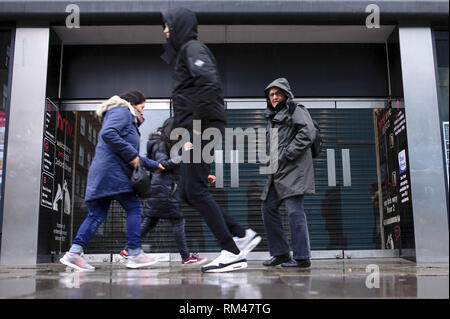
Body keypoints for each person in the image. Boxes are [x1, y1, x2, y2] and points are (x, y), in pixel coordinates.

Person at [160, 7, 261, 273]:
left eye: (168, 25)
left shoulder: (192, 48)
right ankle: (240, 234)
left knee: (195, 190)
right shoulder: (186, 52)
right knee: (186, 191)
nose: (165, 30)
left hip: (199, 127)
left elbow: (207, 82)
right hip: (194, 128)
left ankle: (232, 249)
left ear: (180, 26)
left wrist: (195, 127)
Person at [60, 90, 164, 271]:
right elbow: (109, 134)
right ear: (131, 102)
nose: (143, 112)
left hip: (107, 174)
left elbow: (124, 149)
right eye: (142, 107)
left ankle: (74, 253)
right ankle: (134, 253)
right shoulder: (122, 111)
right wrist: (135, 157)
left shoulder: (122, 115)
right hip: (113, 173)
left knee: (97, 214)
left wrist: (153, 164)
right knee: (134, 207)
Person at [119, 118, 207, 266]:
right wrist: (182, 156)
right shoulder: (161, 145)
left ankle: (128, 250)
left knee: (150, 222)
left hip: (161, 188)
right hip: (165, 189)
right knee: (178, 220)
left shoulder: (166, 144)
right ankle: (186, 257)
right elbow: (162, 165)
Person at [260, 78, 316, 268]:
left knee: (294, 212)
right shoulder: (271, 117)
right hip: (277, 171)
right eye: (271, 94)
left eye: (277, 93)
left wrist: (288, 153)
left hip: (294, 170)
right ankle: (281, 253)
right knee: (268, 208)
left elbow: (308, 133)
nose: (274, 97)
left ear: (285, 94)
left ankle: (302, 258)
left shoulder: (296, 108)